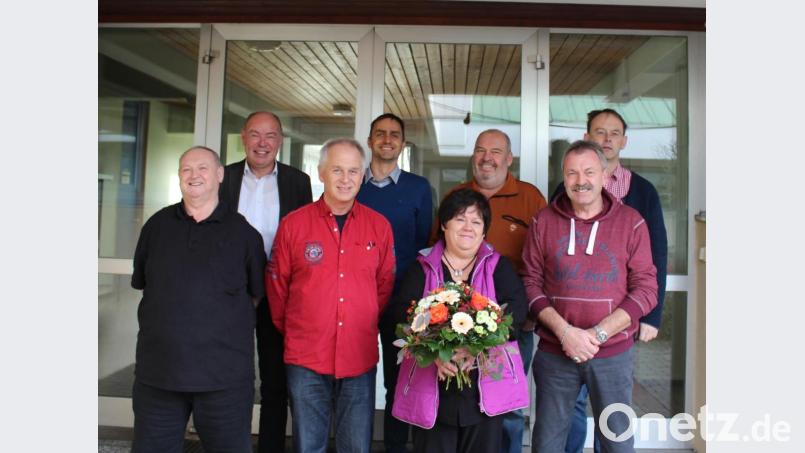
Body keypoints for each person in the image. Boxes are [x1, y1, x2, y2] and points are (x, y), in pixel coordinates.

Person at [523, 140, 658, 453]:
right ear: (563, 177)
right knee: (548, 443)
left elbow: (646, 289)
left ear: (604, 175)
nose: (580, 180)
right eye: (571, 173)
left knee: (616, 442)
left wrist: (597, 335)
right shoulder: (543, 222)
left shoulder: (631, 222)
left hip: (613, 354)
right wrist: (566, 333)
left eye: (588, 172)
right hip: (556, 353)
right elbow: (530, 283)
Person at [131, 146, 265, 452]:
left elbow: (255, 296)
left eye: (203, 168)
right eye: (186, 169)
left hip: (224, 380)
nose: (194, 176)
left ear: (219, 175)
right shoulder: (156, 227)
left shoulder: (244, 235)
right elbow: (145, 285)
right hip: (158, 376)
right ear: (179, 177)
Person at [266, 138, 396, 453]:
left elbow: (384, 285)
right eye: (337, 170)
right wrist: (302, 327)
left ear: (362, 175)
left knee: (356, 446)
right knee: (309, 445)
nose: (345, 179)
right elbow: (277, 286)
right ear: (321, 172)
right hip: (306, 355)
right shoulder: (294, 224)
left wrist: (359, 319)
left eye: (353, 171)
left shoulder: (378, 226)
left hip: (358, 353)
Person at [552, 109, 669, 453]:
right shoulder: (568, 187)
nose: (606, 139)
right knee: (572, 404)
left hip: (619, 320)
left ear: (624, 141)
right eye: (599, 132)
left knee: (612, 408)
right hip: (572, 325)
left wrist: (652, 314)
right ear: (587, 136)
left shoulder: (642, 191)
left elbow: (656, 255)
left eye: (614, 133)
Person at [433, 129, 547, 453]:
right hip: (455, 326)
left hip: (511, 324)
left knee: (505, 407)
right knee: (457, 403)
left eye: (496, 151)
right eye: (481, 150)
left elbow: (545, 259)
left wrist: (530, 314)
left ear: (509, 159)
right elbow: (435, 254)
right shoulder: (456, 195)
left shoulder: (530, 198)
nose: (487, 157)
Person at [391, 188, 527, 453]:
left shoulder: (498, 266)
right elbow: (401, 314)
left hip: (482, 391)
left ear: (485, 230)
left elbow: (516, 312)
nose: (468, 227)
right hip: (432, 389)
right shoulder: (423, 267)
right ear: (444, 224)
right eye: (460, 219)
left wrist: (477, 348)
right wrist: (435, 353)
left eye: (476, 222)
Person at [219, 110, 312, 453]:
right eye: (255, 135)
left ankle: (270, 447)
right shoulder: (223, 177)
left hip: (278, 292)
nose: (262, 143)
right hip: (232, 293)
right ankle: (232, 444)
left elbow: (304, 238)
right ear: (243, 137)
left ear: (280, 141)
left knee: (275, 380)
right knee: (230, 377)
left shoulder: (297, 182)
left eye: (270, 136)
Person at [356, 113, 433, 453]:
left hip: (401, 299)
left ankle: (395, 448)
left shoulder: (418, 188)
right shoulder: (353, 183)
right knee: (351, 379)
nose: (387, 139)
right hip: (354, 296)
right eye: (380, 134)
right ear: (370, 140)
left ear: (403, 143)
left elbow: (423, 244)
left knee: (396, 381)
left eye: (394, 135)